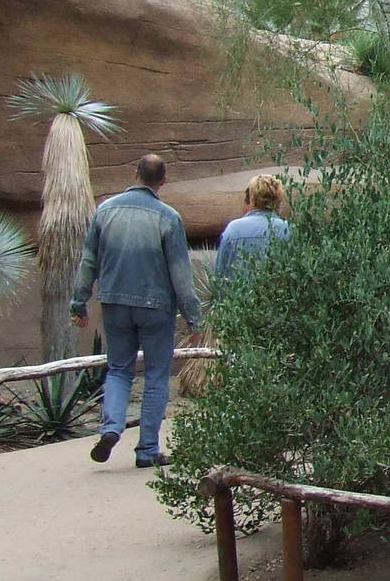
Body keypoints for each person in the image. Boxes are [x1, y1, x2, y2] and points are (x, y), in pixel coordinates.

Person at [70, 153, 202, 469]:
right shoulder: (168, 217)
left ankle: (112, 427)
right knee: (156, 375)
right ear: (163, 181)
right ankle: (147, 450)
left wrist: (79, 302)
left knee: (118, 369)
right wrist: (193, 317)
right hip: (156, 307)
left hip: (114, 302)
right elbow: (180, 273)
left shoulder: (105, 210)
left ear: (135, 174)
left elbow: (89, 260)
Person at [214, 173, 291, 279]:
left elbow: (220, 275)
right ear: (279, 201)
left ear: (251, 200)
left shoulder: (233, 229)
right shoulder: (289, 230)